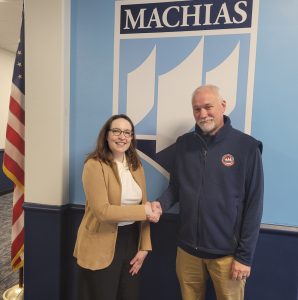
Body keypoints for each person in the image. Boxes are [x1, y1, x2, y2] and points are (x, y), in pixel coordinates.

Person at [152, 84, 264, 300]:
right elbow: (176, 187)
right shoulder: (184, 144)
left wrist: (245, 257)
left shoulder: (247, 147)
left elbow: (254, 205)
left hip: (228, 257)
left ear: (223, 106)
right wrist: (160, 204)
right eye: (196, 109)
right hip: (187, 253)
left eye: (208, 107)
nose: (202, 114)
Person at [74, 114, 160, 300]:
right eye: (117, 131)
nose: (122, 137)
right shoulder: (94, 165)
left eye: (127, 133)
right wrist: (144, 211)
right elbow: (102, 211)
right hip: (100, 242)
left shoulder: (136, 165)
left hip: (131, 241)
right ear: (106, 135)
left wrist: (145, 247)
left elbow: (144, 203)